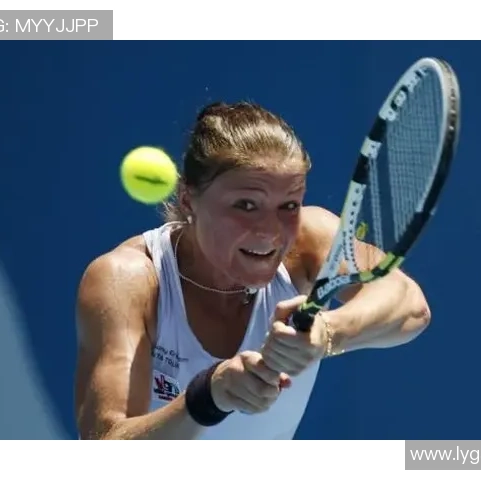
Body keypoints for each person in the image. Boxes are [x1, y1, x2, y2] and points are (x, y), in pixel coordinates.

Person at [74, 101, 431, 440]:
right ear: (188, 199)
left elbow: (410, 306)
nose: (270, 231)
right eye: (246, 205)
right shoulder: (129, 279)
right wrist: (208, 397)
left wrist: (328, 331)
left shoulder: (309, 240)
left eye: (288, 205)